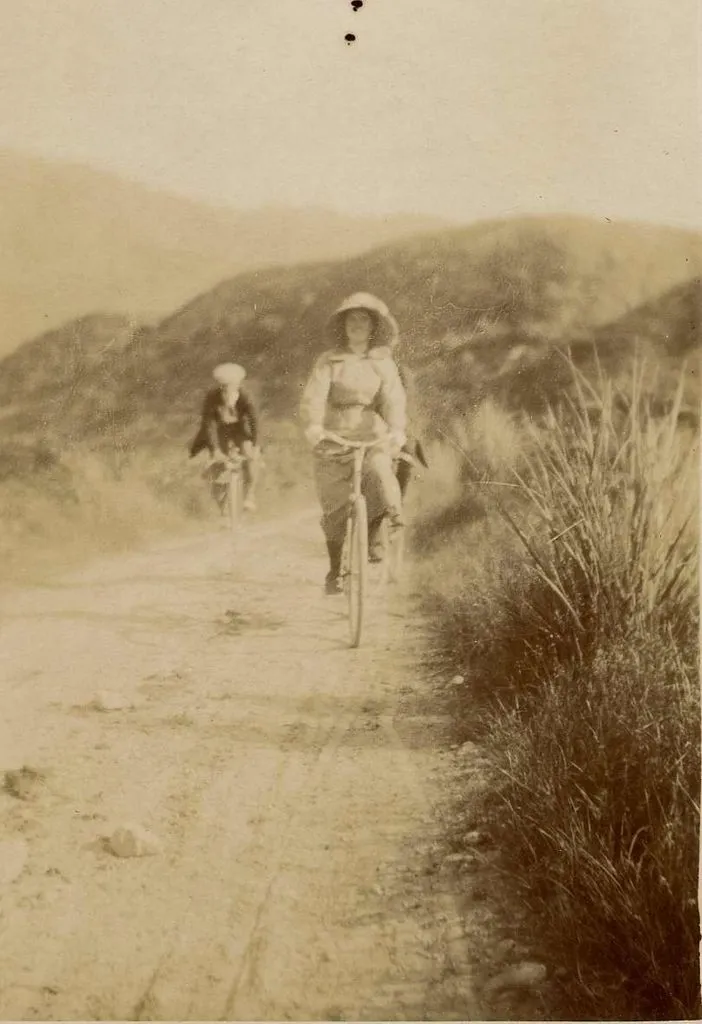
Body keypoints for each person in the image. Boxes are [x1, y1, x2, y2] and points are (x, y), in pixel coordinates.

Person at [300, 293, 407, 595]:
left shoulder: (383, 363)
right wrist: (314, 425)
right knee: (334, 507)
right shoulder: (329, 361)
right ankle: (335, 570)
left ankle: (379, 531)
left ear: (373, 327)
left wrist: (397, 429)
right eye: (351, 319)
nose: (356, 325)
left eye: (363, 319)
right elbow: (315, 395)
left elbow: (393, 398)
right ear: (343, 325)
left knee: (379, 473)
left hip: (371, 432)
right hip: (334, 435)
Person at [189, 363, 261, 513]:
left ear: (238, 384)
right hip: (219, 430)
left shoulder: (246, 396)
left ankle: (250, 495)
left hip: (240, 429)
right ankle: (222, 507)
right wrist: (215, 449)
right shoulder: (212, 397)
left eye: (231, 385)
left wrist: (256, 445)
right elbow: (209, 425)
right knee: (217, 465)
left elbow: (255, 421)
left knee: (250, 456)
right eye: (224, 385)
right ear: (220, 385)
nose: (227, 388)